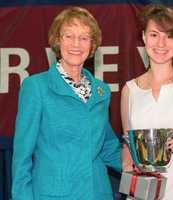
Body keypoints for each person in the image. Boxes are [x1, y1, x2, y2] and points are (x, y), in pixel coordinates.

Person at [12, 6, 121, 200]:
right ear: (57, 40)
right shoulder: (35, 87)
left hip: (98, 193)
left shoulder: (101, 91)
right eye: (68, 36)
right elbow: (22, 157)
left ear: (92, 44)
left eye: (84, 37)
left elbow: (107, 146)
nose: (76, 44)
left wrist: (144, 165)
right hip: (54, 194)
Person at [121, 4, 173, 200]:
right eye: (154, 34)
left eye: (169, 35)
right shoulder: (129, 90)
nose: (161, 43)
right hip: (143, 195)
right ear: (144, 37)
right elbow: (128, 144)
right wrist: (127, 161)